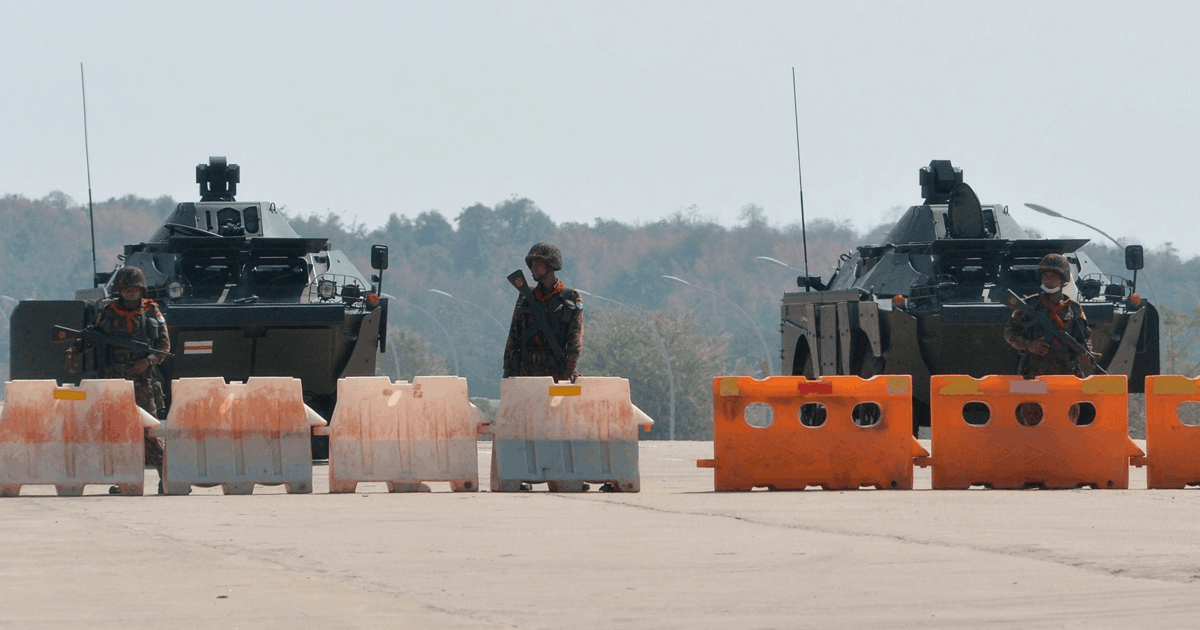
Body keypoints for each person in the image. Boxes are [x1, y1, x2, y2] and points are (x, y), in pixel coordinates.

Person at [67, 266, 171, 492]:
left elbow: (164, 346)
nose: (131, 292)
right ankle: (125, 481)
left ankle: (167, 479)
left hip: (143, 381)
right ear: (120, 290)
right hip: (115, 384)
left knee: (149, 431)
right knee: (118, 433)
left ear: (141, 289)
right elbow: (91, 336)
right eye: (126, 288)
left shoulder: (152, 311)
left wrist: (148, 361)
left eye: (135, 288)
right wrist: (74, 350)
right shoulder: (109, 312)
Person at [1003, 253, 1095, 425]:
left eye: (1053, 276)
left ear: (1062, 279)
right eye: (1045, 275)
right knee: (1033, 420)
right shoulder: (1029, 306)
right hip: (1035, 374)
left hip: (1066, 375)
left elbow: (1085, 335)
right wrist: (1029, 345)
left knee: (1067, 421)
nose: (1048, 280)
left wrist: (1086, 352)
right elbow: (1009, 333)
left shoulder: (1074, 308)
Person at [503, 242, 584, 383]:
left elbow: (575, 339)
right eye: (532, 264)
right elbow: (513, 335)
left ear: (551, 265)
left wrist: (569, 371)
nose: (533, 268)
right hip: (525, 372)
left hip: (556, 372)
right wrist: (507, 370)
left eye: (538, 263)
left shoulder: (570, 298)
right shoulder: (526, 296)